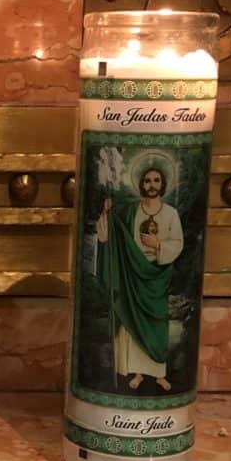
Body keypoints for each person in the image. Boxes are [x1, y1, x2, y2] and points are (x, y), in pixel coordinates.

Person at [95, 165, 183, 392]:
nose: (151, 185)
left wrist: (159, 245)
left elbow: (178, 243)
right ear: (141, 185)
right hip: (132, 275)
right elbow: (111, 235)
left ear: (162, 184)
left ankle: (158, 373)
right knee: (131, 322)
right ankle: (137, 373)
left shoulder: (171, 213)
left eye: (155, 180)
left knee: (156, 324)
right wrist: (107, 214)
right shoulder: (129, 212)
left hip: (156, 276)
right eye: (147, 181)